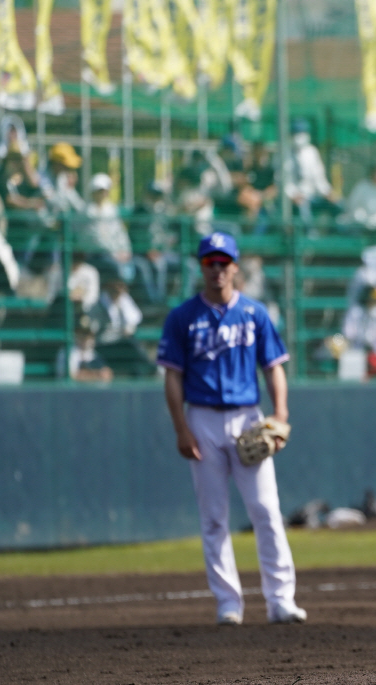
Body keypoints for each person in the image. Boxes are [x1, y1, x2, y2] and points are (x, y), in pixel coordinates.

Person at [157, 231, 306, 625]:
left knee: (266, 511)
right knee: (213, 518)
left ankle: (280, 600)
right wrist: (180, 429)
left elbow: (273, 367)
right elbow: (172, 377)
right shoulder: (182, 317)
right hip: (202, 417)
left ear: (235, 267)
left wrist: (281, 415)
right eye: (210, 263)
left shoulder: (255, 313)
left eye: (224, 263)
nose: (217, 270)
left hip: (247, 417)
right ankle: (228, 602)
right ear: (201, 267)